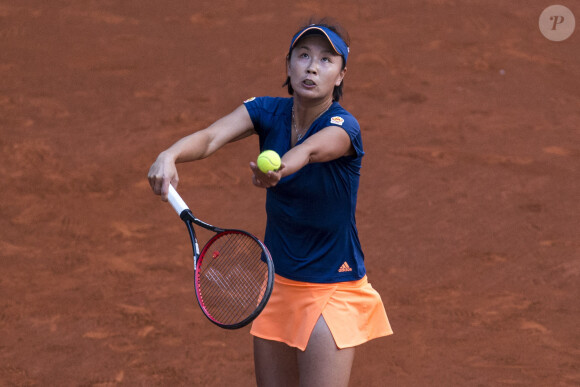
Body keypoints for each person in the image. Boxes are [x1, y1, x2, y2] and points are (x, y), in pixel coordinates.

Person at [148, 18, 393, 387]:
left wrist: (279, 169)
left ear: (341, 76)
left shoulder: (344, 127)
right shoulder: (265, 111)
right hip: (276, 288)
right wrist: (171, 153)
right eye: (303, 55)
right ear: (288, 64)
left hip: (331, 290)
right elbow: (212, 136)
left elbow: (309, 152)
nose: (312, 66)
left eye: (327, 60)